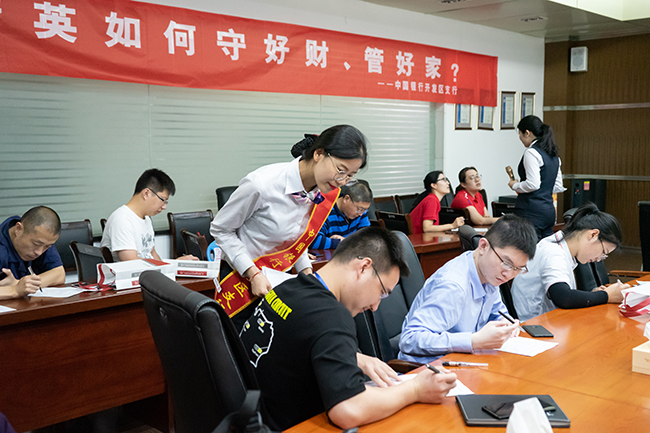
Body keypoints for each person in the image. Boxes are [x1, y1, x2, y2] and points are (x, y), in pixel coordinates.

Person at [239, 227, 457, 430]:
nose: (375, 306)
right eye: (382, 292)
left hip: (250, 416)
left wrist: (354, 357)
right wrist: (416, 389)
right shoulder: (331, 315)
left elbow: (296, 341)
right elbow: (348, 409)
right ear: (363, 267)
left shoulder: (288, 288)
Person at [211, 124, 367, 300]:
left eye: (350, 176)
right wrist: (253, 273)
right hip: (241, 281)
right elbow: (221, 229)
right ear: (318, 154)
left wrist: (307, 273)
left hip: (278, 279)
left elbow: (297, 241)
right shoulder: (262, 185)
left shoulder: (320, 191)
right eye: (341, 171)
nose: (342, 181)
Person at [398, 214, 537, 363]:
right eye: (507, 263)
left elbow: (497, 312)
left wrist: (506, 324)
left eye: (518, 268)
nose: (509, 274)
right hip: (431, 367)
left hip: (466, 360)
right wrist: (473, 340)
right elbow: (410, 339)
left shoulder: (489, 273)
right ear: (483, 246)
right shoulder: (454, 286)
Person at [511, 203, 629, 322]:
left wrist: (594, 295)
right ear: (593, 235)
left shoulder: (560, 246)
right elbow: (563, 297)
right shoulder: (553, 252)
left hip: (549, 320)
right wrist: (607, 296)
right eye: (603, 252)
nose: (599, 259)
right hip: (533, 325)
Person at [101, 168, 197, 262]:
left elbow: (153, 254)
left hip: (150, 272)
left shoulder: (146, 218)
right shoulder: (122, 219)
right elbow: (131, 262)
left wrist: (173, 265)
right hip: (135, 272)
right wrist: (173, 263)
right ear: (146, 193)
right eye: (163, 200)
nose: (164, 207)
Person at [508, 115, 566, 240]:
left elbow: (533, 184)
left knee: (528, 248)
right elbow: (557, 186)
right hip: (549, 211)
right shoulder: (553, 155)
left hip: (530, 211)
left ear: (527, 133)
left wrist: (515, 185)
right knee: (545, 249)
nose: (520, 138)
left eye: (520, 134)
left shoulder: (531, 152)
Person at [0, 206, 65, 300]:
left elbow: (59, 274)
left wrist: (24, 285)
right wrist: (15, 289)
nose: (39, 252)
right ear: (18, 229)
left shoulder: (41, 238)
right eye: (36, 244)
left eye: (47, 246)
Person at [310, 182, 372, 249]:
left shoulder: (361, 213)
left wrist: (345, 242)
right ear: (346, 199)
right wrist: (339, 242)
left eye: (365, 210)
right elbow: (312, 241)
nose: (361, 214)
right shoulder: (325, 211)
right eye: (359, 209)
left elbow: (367, 237)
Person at [409, 170, 465, 234]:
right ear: (433, 185)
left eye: (446, 180)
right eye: (443, 180)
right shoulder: (431, 200)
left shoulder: (432, 199)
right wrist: (452, 226)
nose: (448, 183)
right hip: (417, 239)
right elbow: (427, 228)